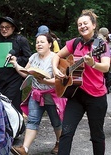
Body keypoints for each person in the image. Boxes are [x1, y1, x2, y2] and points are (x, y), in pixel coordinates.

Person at [52, 9, 110, 155]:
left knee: (96, 136)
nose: (82, 26)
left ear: (94, 25)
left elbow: (106, 67)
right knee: (66, 132)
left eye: (85, 23)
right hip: (76, 94)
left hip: (96, 96)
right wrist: (55, 69)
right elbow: (56, 55)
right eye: (79, 24)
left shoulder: (100, 44)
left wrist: (93, 64)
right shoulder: (75, 42)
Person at [9, 33, 67, 155]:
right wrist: (15, 64)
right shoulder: (33, 57)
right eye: (37, 42)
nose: (39, 44)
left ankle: (59, 142)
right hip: (36, 94)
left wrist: (45, 80)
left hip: (52, 96)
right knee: (32, 121)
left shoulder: (55, 58)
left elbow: (60, 80)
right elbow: (25, 73)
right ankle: (24, 149)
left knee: (56, 122)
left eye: (42, 42)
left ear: (50, 44)